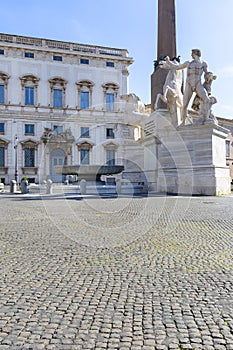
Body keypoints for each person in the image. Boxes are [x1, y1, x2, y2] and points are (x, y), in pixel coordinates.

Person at [161, 49, 210, 124]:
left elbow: (207, 73)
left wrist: (210, 77)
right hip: (189, 84)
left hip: (198, 84)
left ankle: (206, 118)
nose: (191, 55)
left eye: (192, 53)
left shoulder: (203, 64)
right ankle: (183, 122)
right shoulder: (188, 63)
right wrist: (168, 62)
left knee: (207, 99)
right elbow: (177, 67)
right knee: (184, 105)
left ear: (195, 54)